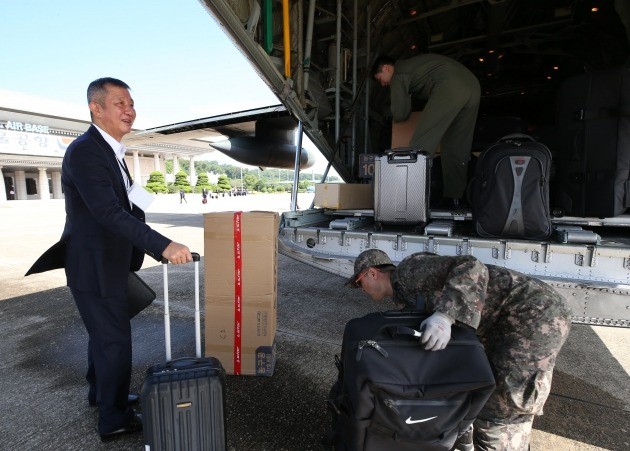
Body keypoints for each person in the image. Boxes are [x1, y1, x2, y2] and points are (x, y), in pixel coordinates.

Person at [59, 77, 193, 441]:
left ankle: (102, 394)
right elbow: (108, 213)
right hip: (95, 266)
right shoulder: (86, 151)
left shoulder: (111, 151)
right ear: (96, 108)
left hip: (109, 262)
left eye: (131, 103)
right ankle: (114, 418)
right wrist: (163, 245)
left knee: (102, 336)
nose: (129, 110)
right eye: (119, 103)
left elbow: (128, 206)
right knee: (114, 341)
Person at [346, 249, 572, 451]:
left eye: (358, 283)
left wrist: (446, 315)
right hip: (504, 324)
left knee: (504, 405)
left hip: (534, 316)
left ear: (372, 273)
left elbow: (471, 265)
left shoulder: (408, 271)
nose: (360, 290)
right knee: (484, 385)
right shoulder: (405, 296)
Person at [371, 54, 481, 206]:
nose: (383, 84)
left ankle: (410, 199)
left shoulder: (398, 75)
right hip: (473, 86)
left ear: (386, 68)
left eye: (380, 79)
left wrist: (391, 112)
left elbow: (401, 113)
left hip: (449, 85)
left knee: (420, 145)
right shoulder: (414, 65)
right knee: (456, 147)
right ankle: (456, 199)